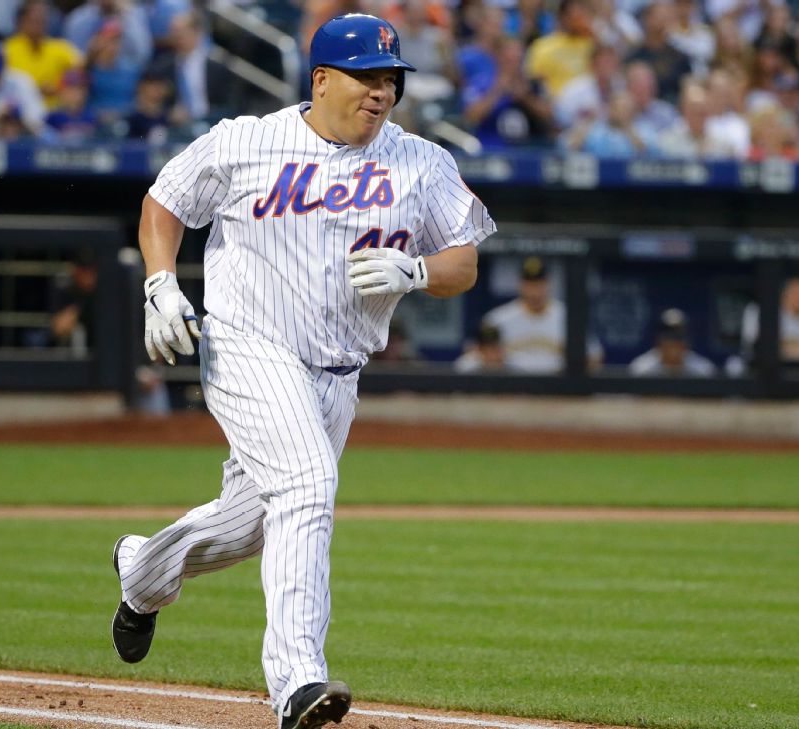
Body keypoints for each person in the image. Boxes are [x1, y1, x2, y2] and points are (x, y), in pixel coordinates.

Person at [109, 14, 494, 729]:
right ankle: (296, 681)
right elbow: (164, 201)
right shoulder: (247, 140)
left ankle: (143, 571)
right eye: (366, 77)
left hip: (337, 372)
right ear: (321, 79)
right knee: (311, 483)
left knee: (253, 523)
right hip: (245, 345)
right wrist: (161, 284)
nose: (382, 92)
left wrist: (416, 269)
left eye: (391, 79)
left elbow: (464, 259)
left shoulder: (420, 162)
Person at [481, 256, 602, 373]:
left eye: (539, 284)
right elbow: (477, 356)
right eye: (529, 284)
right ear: (520, 285)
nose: (534, 291)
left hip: (559, 387)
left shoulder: (568, 317)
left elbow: (594, 357)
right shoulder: (497, 319)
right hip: (512, 388)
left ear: (548, 284)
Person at [629, 307, 717, 376]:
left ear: (687, 341)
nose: (674, 343)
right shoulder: (642, 369)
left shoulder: (703, 370)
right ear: (659, 340)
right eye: (669, 336)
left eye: (679, 337)